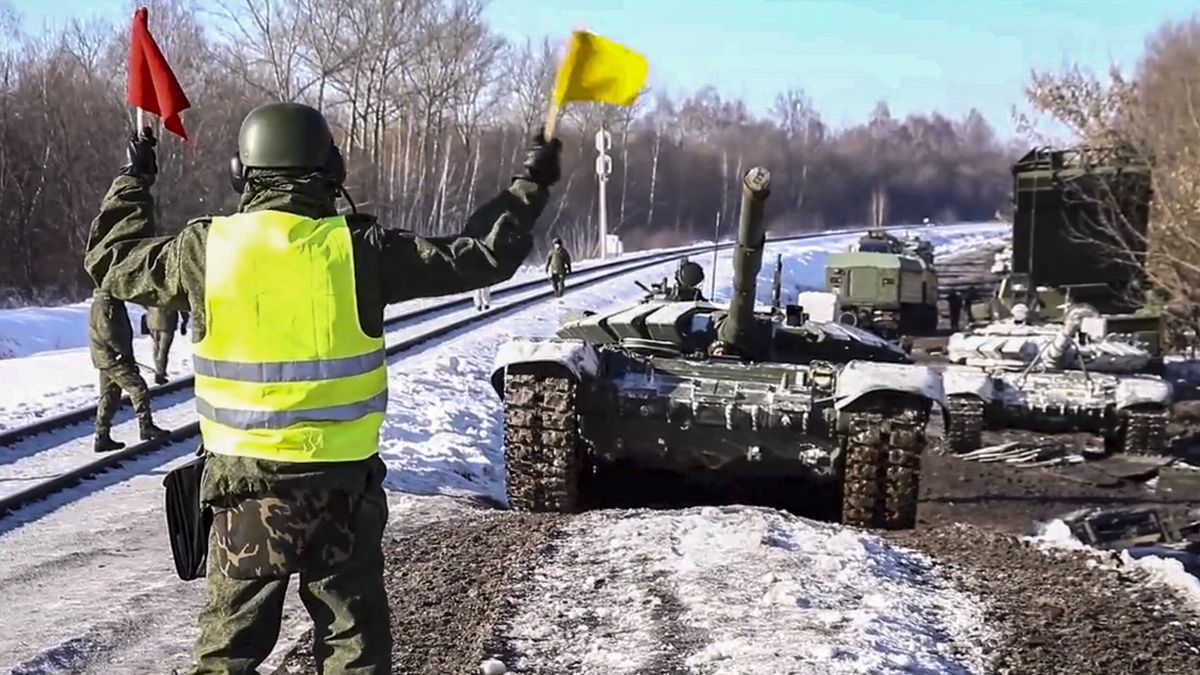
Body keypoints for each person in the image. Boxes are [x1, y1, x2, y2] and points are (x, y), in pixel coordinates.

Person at [83, 102, 561, 674]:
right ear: (331, 168)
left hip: (245, 493)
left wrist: (134, 174)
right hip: (343, 493)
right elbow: (482, 254)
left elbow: (111, 260)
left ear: (243, 171)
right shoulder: (361, 250)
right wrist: (529, 182)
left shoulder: (205, 251)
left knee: (227, 657)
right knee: (353, 652)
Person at [89, 291, 171, 452]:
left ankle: (101, 436)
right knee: (138, 388)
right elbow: (109, 332)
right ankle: (145, 426)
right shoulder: (107, 304)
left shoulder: (109, 303)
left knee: (110, 395)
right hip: (113, 357)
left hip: (106, 356)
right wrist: (123, 353)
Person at [143, 306, 189, 384]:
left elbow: (144, 301)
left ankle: (159, 370)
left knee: (156, 347)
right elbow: (181, 306)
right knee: (163, 350)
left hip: (152, 320)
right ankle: (160, 374)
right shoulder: (171, 293)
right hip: (167, 321)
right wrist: (185, 320)